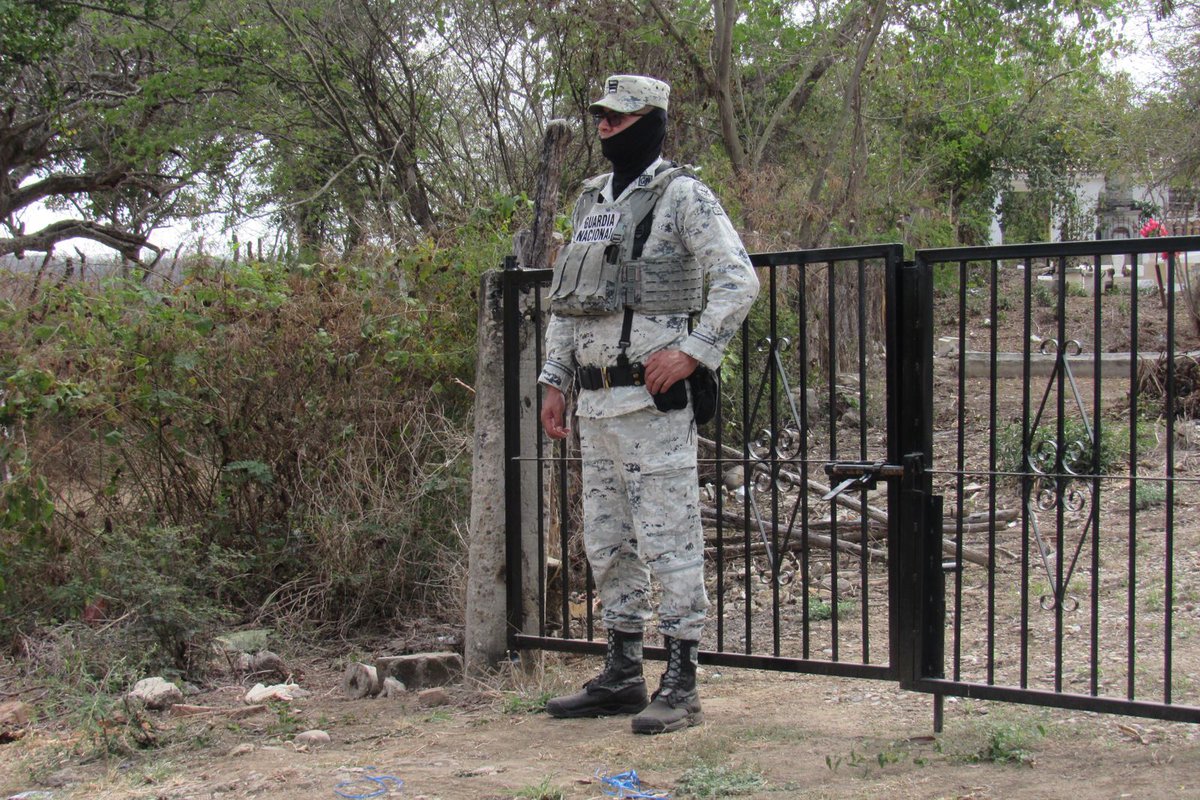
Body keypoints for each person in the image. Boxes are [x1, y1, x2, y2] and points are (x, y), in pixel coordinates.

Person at [537, 74, 759, 735]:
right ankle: (623, 671)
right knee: (606, 544)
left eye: (619, 116)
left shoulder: (683, 196)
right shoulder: (590, 202)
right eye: (600, 115)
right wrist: (555, 380)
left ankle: (683, 681)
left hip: (655, 405)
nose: (605, 125)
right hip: (597, 408)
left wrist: (691, 350)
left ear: (652, 121)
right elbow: (568, 300)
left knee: (671, 544)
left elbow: (737, 281)